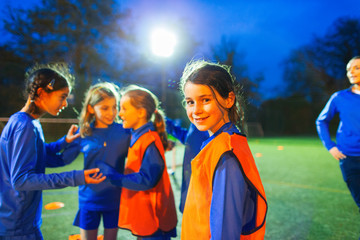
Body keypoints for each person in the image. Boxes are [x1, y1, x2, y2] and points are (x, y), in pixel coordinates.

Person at [0, 63, 106, 240]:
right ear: (41, 93)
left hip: (19, 221)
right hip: (18, 226)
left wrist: (64, 142)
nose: (65, 103)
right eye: (62, 97)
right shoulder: (24, 125)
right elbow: (21, 180)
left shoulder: (26, 121)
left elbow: (39, 155)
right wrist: (77, 177)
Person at [179, 60, 267, 239]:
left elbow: (225, 231)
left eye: (205, 100)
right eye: (190, 102)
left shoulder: (225, 153)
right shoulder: (222, 141)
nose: (196, 110)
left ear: (229, 99)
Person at [98, 85, 177, 240]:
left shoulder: (149, 139)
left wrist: (113, 176)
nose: (119, 114)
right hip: (145, 214)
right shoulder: (138, 135)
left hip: (154, 216)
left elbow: (147, 179)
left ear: (141, 112)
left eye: (124, 109)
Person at [61, 82, 131, 240]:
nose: (112, 112)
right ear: (92, 108)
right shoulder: (84, 132)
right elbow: (63, 159)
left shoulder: (125, 131)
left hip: (115, 199)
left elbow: (139, 154)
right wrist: (61, 143)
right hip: (88, 200)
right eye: (105, 108)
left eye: (114, 107)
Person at [316, 56, 360, 211]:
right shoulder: (339, 97)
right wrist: (330, 146)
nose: (351, 72)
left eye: (357, 68)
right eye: (349, 69)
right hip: (349, 159)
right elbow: (321, 121)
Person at [165, 119, 208, 213]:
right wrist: (166, 122)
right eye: (190, 103)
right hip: (190, 196)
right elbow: (191, 139)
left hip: (202, 203)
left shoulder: (209, 125)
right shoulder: (196, 124)